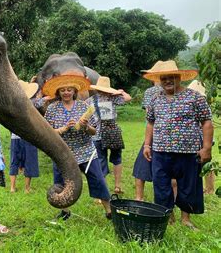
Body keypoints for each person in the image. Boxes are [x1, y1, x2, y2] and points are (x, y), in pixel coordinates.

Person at [142, 60, 213, 229]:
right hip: (160, 151)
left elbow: (207, 123)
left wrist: (207, 148)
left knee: (188, 185)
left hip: (188, 152)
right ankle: (168, 217)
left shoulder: (194, 97)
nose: (168, 81)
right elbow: (150, 123)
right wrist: (146, 145)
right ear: (159, 80)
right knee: (161, 185)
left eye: (172, 77)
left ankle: (186, 219)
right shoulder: (154, 99)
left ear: (179, 77)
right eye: (164, 78)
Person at [42, 73, 112, 220]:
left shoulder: (84, 106)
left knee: (98, 179)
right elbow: (47, 133)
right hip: (62, 152)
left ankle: (109, 211)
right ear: (58, 92)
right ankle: (65, 211)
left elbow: (94, 131)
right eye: (63, 90)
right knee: (61, 183)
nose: (66, 92)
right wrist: (64, 128)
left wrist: (86, 127)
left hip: (86, 151)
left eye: (69, 89)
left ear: (75, 91)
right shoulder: (52, 109)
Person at [86, 76, 131, 195]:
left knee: (100, 161)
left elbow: (86, 116)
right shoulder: (113, 98)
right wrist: (121, 92)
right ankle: (117, 186)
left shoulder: (90, 101)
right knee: (117, 159)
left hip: (97, 135)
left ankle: (102, 189)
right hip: (113, 133)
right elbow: (128, 98)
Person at [132, 61, 164, 201]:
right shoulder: (152, 92)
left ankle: (140, 198)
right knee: (144, 164)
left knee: (143, 168)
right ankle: (140, 198)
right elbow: (149, 115)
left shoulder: (152, 92)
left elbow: (148, 115)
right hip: (157, 135)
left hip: (158, 136)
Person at [9, 80, 45, 193]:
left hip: (15, 136)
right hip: (29, 136)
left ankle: (12, 187)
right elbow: (40, 102)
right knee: (29, 160)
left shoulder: (11, 103)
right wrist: (44, 97)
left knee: (14, 161)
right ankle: (27, 188)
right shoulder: (31, 103)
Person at [187, 79, 216, 195]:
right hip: (198, 138)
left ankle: (209, 189)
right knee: (201, 163)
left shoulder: (202, 105)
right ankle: (204, 188)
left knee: (206, 163)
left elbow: (206, 124)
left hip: (203, 138)